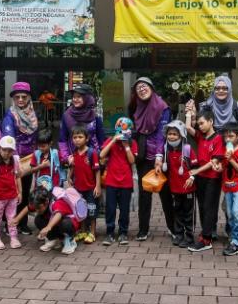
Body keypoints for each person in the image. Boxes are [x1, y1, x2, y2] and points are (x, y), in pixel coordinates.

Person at [129, 76, 173, 241]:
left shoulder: (163, 107)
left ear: (152, 88)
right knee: (144, 194)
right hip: (143, 156)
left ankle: (172, 227)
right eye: (138, 87)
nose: (141, 89)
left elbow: (163, 135)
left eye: (144, 86)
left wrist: (159, 157)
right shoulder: (136, 107)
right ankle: (143, 229)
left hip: (160, 156)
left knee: (165, 193)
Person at [185, 109, 224, 252]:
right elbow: (188, 128)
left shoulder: (218, 138)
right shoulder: (201, 136)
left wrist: (196, 171)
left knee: (209, 207)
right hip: (201, 178)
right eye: (198, 123)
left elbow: (214, 161)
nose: (199, 126)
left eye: (202, 123)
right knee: (202, 206)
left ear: (211, 122)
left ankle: (206, 239)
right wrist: (189, 114)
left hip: (212, 179)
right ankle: (208, 232)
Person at [2, 82, 38, 235]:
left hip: (29, 160)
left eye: (24, 97)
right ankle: (8, 223)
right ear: (13, 99)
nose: (21, 100)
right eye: (17, 97)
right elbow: (8, 138)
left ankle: (22, 223)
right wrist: (14, 158)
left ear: (29, 98)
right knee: (11, 192)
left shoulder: (34, 115)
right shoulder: (10, 115)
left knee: (24, 190)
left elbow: (36, 137)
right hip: (13, 158)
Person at [100, 117, 137, 245]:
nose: (122, 131)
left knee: (124, 209)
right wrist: (113, 140)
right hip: (111, 181)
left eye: (125, 128)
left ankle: (123, 233)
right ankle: (109, 233)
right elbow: (101, 155)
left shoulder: (132, 143)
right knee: (110, 208)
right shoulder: (111, 140)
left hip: (126, 182)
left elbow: (132, 161)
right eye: (120, 127)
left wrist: (126, 146)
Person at [11, 187, 79, 255]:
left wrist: (48, 227)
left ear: (46, 202)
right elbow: (28, 208)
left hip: (69, 222)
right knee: (38, 220)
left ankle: (70, 240)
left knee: (65, 224)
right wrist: (17, 219)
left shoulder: (56, 202)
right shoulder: (39, 202)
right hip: (56, 223)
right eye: (35, 208)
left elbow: (58, 215)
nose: (36, 210)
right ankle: (53, 239)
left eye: (38, 208)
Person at [67, 125, 101, 243]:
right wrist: (69, 178)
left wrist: (98, 186)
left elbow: (97, 170)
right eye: (75, 137)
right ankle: (82, 231)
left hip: (91, 188)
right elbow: (72, 169)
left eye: (80, 137)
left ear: (87, 139)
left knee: (92, 211)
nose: (77, 139)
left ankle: (92, 232)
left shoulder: (92, 153)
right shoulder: (74, 154)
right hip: (78, 188)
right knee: (80, 210)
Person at [220, 122, 238, 256]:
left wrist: (231, 159)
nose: (228, 139)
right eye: (226, 137)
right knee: (231, 214)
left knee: (237, 212)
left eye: (230, 136)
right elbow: (223, 168)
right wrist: (218, 167)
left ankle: (236, 242)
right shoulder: (224, 151)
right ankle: (236, 237)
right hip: (227, 187)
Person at [164, 120, 195, 248]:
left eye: (175, 134)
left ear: (181, 136)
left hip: (188, 188)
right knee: (177, 212)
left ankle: (189, 237)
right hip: (175, 188)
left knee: (188, 213)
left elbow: (195, 166)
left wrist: (192, 177)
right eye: (169, 134)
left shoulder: (187, 149)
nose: (171, 136)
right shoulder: (166, 149)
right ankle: (179, 235)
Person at [58, 84, 106, 165]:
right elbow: (62, 139)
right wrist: (67, 157)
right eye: (74, 97)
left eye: (79, 97)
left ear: (87, 98)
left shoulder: (95, 116)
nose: (75, 99)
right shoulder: (67, 115)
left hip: (93, 158)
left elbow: (101, 138)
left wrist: (102, 155)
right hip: (74, 159)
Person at [194, 75, 238, 142]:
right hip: (211, 148)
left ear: (229, 89)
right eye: (217, 88)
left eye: (224, 88)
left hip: (230, 148)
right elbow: (200, 128)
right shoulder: (206, 107)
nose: (221, 91)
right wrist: (193, 115)